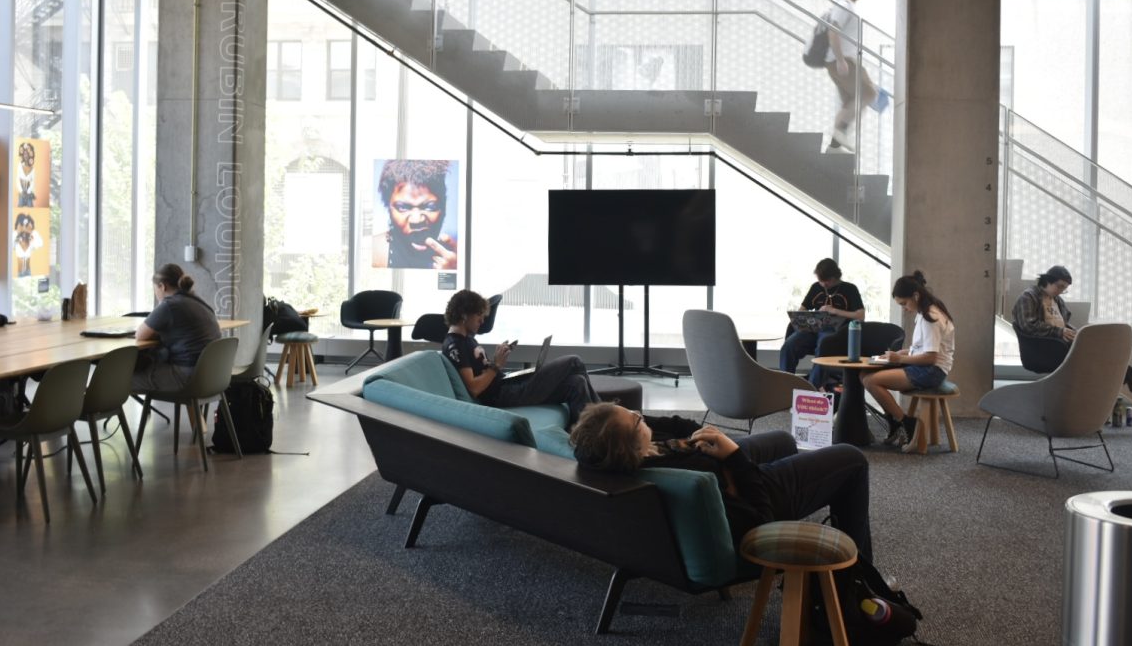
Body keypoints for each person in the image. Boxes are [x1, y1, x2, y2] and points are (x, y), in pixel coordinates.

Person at [570, 403, 873, 562]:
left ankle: (800, 543)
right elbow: (758, 518)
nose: (639, 415)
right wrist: (734, 458)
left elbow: (679, 424)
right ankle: (858, 572)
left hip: (728, 470)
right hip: (759, 493)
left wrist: (703, 440)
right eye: (636, 420)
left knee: (781, 439)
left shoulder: (628, 449)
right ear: (630, 447)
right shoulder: (692, 474)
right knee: (851, 459)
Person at [442, 289, 600, 426]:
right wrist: (496, 365)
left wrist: (497, 360)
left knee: (577, 383)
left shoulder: (466, 339)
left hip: (506, 386)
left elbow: (482, 371)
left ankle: (588, 434)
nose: (482, 321)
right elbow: (474, 388)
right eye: (478, 316)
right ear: (464, 315)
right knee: (574, 361)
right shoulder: (455, 345)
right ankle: (606, 417)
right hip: (503, 395)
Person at [1012, 265, 1132, 393]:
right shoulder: (1029, 297)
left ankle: (1131, 379)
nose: (1061, 291)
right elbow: (1028, 325)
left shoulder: (1056, 300)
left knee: (1101, 349)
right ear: (1047, 281)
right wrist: (1059, 332)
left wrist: (1075, 333)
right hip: (1044, 350)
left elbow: (1063, 324)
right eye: (1059, 286)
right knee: (1097, 355)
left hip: (1060, 344)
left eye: (1064, 289)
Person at [863, 271, 954, 452]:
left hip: (931, 371)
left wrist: (900, 358)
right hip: (924, 366)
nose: (904, 308)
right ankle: (895, 423)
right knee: (864, 373)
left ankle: (906, 423)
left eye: (904, 303)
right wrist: (898, 354)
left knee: (871, 380)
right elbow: (921, 348)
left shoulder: (931, 317)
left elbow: (931, 357)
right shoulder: (923, 312)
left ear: (916, 295)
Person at [131, 263, 221, 393]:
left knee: (119, 378)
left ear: (162, 286)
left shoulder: (169, 305)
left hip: (186, 377)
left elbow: (140, 335)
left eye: (155, 289)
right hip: (213, 375)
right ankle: (195, 414)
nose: (156, 293)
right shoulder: (199, 301)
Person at [779, 257, 865, 386]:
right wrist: (804, 316)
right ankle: (785, 384)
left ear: (836, 276)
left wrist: (835, 311)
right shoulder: (815, 288)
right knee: (789, 346)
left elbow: (860, 316)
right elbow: (803, 309)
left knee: (824, 347)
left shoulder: (850, 289)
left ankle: (813, 387)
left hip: (835, 330)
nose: (824, 284)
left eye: (827, 281)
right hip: (812, 328)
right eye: (820, 281)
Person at [825, 0, 880, 153]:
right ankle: (839, 134)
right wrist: (840, 60)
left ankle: (834, 146)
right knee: (869, 94)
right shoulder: (844, 5)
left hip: (843, 60)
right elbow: (833, 32)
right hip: (842, 61)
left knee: (851, 101)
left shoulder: (849, 7)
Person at [371, 159, 458, 270]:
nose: (417, 220)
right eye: (402, 207)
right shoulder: (373, 254)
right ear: (388, 207)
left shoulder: (457, 257)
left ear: (443, 207)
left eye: (430, 207)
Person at [12, 213, 43, 278]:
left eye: (30, 227)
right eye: (22, 225)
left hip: (28, 271)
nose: (27, 228)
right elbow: (10, 246)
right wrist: (18, 233)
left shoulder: (32, 236)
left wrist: (32, 234)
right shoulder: (15, 235)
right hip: (19, 272)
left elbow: (40, 244)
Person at [17, 141, 36, 207]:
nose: (26, 155)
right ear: (23, 155)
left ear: (30, 155)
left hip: (29, 193)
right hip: (21, 193)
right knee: (19, 207)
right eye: (24, 154)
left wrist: (28, 191)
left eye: (27, 154)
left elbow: (33, 181)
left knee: (30, 207)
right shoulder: (19, 165)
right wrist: (21, 190)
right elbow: (17, 179)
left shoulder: (32, 168)